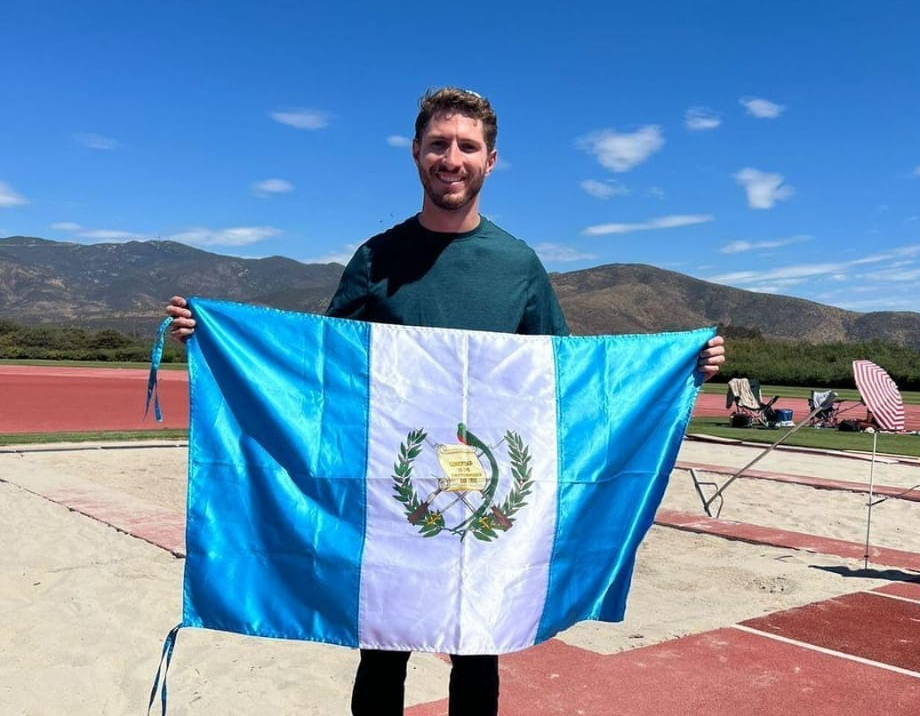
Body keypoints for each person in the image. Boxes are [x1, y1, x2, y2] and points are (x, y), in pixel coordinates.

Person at [166, 86, 726, 716]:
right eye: (438, 144)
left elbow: (566, 382)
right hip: (391, 495)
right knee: (383, 649)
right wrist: (213, 339)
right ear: (415, 152)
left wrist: (683, 368)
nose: (451, 159)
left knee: (478, 648)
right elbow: (320, 371)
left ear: (491, 160)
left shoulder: (518, 265)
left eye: (466, 146)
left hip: (488, 493)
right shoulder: (376, 258)